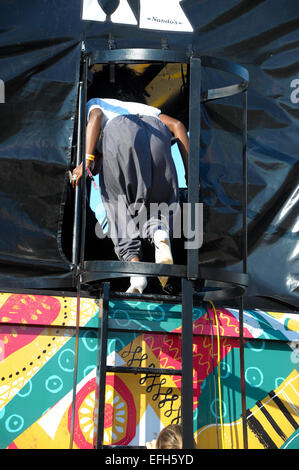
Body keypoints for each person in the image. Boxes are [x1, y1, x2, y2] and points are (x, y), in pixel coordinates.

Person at [71, 76, 189, 294]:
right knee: (159, 200)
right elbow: (178, 126)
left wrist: (85, 163)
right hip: (158, 137)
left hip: (120, 134)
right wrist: (191, 173)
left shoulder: (96, 102)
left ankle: (136, 273)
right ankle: (160, 234)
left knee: (116, 204)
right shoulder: (147, 109)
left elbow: (96, 117)